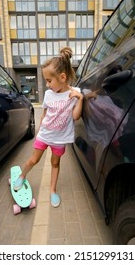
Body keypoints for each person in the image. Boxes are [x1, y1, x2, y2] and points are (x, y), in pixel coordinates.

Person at [13, 46, 84, 207]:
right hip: (45, 135)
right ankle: (22, 176)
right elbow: (44, 113)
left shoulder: (74, 93)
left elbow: (75, 116)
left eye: (49, 80)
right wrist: (39, 131)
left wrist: (80, 99)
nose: (47, 84)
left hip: (60, 139)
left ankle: (52, 191)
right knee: (33, 160)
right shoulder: (48, 94)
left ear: (63, 77)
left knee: (55, 163)